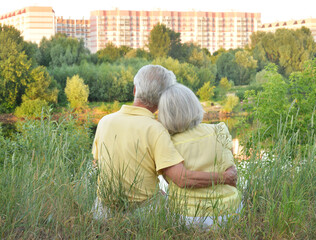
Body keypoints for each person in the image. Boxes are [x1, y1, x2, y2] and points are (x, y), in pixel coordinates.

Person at [92, 65, 237, 218]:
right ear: (164, 98)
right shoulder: (156, 129)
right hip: (142, 213)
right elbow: (181, 178)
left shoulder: (104, 121)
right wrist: (224, 177)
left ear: (135, 90)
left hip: (103, 210)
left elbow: (98, 162)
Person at [158, 83, 242, 228]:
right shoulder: (218, 130)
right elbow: (231, 174)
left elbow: (173, 180)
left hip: (189, 217)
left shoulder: (167, 142)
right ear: (194, 105)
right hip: (232, 212)